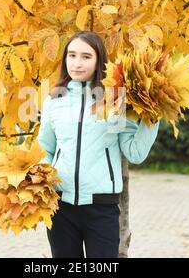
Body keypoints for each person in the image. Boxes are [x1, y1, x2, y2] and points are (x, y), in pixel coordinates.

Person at [37, 31, 159, 258]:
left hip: (101, 209)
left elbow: (135, 152)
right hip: (60, 208)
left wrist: (154, 115)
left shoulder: (115, 100)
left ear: (98, 60)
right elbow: (46, 149)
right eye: (71, 55)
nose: (77, 63)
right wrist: (42, 179)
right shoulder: (54, 101)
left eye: (86, 56)